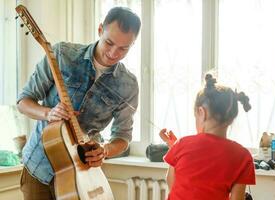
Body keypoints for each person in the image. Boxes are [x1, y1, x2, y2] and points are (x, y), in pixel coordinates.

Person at [17, 7, 141, 200]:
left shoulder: (128, 85)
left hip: (82, 177)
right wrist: (48, 113)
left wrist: (105, 150)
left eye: (123, 48)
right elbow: (23, 101)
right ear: (100, 30)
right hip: (39, 169)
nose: (113, 53)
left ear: (132, 44)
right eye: (109, 42)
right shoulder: (61, 55)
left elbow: (123, 136)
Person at [159, 74, 256, 200]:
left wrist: (176, 148)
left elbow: (171, 181)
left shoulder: (182, 144)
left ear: (201, 112)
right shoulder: (243, 157)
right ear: (231, 119)